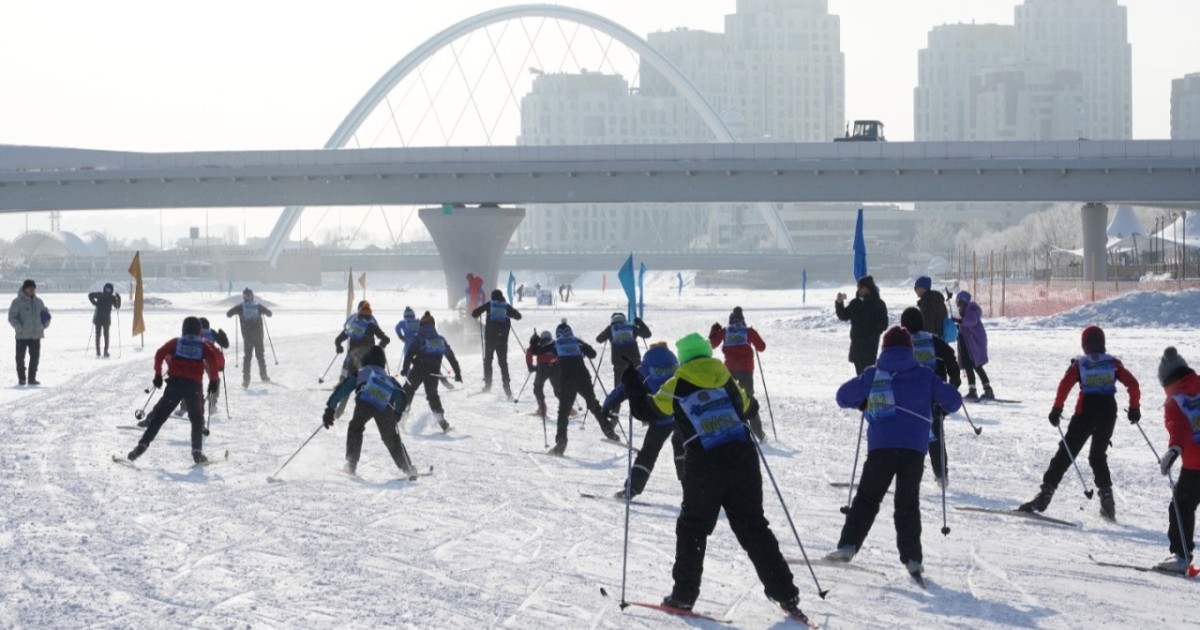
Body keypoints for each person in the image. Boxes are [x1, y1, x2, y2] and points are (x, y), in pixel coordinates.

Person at [650, 332, 808, 620]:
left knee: (693, 527)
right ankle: (786, 593)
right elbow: (750, 406)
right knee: (753, 526)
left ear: (683, 359)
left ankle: (683, 595)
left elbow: (652, 408)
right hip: (743, 460)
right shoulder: (725, 378)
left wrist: (633, 385)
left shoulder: (677, 382)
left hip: (705, 466)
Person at [828, 327, 963, 581]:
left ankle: (848, 546)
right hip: (914, 450)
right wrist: (936, 404)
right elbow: (954, 401)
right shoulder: (925, 375)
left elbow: (842, 397)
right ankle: (913, 559)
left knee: (867, 499)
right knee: (907, 504)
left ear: (884, 349)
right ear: (910, 350)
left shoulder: (874, 374)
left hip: (881, 448)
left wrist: (863, 401)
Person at [1018, 325, 1140, 520]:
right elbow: (1133, 384)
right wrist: (1134, 408)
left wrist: (1057, 409)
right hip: (1108, 412)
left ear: (1085, 345)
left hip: (1085, 412)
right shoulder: (1113, 363)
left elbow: (1065, 385)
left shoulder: (1080, 364)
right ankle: (1107, 498)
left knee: (1066, 453)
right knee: (1097, 456)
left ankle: (1045, 493)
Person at [126, 317, 224, 464]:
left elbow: (160, 353)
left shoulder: (176, 342)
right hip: (193, 387)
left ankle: (142, 445)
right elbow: (213, 360)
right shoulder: (203, 344)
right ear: (198, 330)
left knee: (159, 417)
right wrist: (214, 380)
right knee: (197, 419)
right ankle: (197, 452)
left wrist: (158, 375)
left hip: (174, 385)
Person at [323, 345, 417, 479]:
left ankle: (351, 464)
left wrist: (330, 409)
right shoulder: (388, 378)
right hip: (384, 406)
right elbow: (401, 398)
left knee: (355, 428)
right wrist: (397, 414)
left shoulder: (360, 373)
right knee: (391, 438)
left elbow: (342, 390)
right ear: (383, 362)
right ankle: (408, 468)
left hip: (364, 402)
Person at [604, 341, 683, 499]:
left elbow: (623, 389)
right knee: (683, 448)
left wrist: (606, 406)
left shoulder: (643, 369)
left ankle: (632, 488)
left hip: (660, 416)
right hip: (682, 414)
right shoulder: (678, 366)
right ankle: (692, 487)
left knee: (649, 452)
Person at [899, 307, 961, 488]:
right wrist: (952, 386)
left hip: (909, 400)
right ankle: (941, 475)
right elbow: (951, 360)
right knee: (935, 436)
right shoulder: (934, 340)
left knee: (908, 436)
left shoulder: (902, 344)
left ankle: (908, 475)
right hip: (934, 398)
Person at [1154, 347, 1200, 573]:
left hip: (1196, 466)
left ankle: (1181, 556)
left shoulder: (1175, 401)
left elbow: (1178, 428)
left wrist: (1173, 450)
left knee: (1181, 506)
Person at [548, 319, 619, 455]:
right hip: (583, 377)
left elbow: (541, 351)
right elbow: (593, 354)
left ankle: (561, 444)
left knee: (563, 412)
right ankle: (610, 432)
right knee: (593, 405)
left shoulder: (556, 343)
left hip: (568, 380)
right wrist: (582, 351)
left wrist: (535, 342)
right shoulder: (577, 341)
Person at [709, 306, 769, 441]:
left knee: (729, 400)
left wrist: (714, 331)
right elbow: (762, 347)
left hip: (729, 371)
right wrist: (755, 335)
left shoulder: (725, 331)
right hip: (746, 371)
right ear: (743, 320)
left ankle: (733, 431)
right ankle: (759, 434)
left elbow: (711, 345)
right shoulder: (748, 331)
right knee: (748, 400)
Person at [400, 312, 462, 433]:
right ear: (433, 325)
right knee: (433, 396)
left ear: (421, 325)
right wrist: (457, 373)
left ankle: (401, 418)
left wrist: (405, 369)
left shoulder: (418, 338)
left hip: (418, 370)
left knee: (408, 391)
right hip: (434, 373)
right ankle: (443, 424)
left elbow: (409, 354)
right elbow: (451, 357)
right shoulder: (441, 339)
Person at [595, 312, 651, 413]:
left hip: (619, 363)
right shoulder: (631, 327)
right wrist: (640, 323)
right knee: (640, 386)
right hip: (635, 361)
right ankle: (645, 414)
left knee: (618, 390)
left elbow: (599, 339)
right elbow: (647, 334)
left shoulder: (611, 328)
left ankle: (614, 414)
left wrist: (608, 333)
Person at [471, 289, 522, 397]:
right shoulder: (506, 306)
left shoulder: (490, 304)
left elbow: (474, 314)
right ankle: (507, 387)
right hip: (502, 340)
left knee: (488, 361)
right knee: (503, 363)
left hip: (490, 339)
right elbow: (518, 316)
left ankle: (488, 385)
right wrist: (507, 316)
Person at [176, 317, 230, 417]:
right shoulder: (212, 332)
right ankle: (212, 405)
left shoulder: (193, 332)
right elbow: (225, 344)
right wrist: (223, 336)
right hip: (209, 359)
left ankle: (184, 407)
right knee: (215, 380)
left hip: (195, 359)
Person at [835, 275, 888, 375]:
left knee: (868, 373)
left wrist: (871, 335)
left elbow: (883, 324)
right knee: (859, 374)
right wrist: (839, 303)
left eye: (860, 287)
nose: (858, 290)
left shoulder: (878, 304)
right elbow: (843, 315)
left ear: (866, 288)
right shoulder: (855, 303)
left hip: (870, 346)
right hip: (857, 346)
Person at [226, 287, 273, 387]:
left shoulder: (241, 307)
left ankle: (246, 379)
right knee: (260, 356)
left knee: (247, 357)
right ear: (252, 296)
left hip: (247, 337)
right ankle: (264, 376)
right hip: (258, 335)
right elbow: (269, 313)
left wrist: (237, 313)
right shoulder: (257, 306)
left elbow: (228, 314)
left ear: (244, 297)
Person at [952, 291, 992, 401]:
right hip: (968, 345)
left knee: (971, 366)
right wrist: (958, 325)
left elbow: (970, 322)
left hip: (973, 346)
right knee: (975, 366)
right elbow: (965, 326)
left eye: (958, 301)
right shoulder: (964, 312)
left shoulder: (970, 310)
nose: (957, 303)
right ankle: (987, 389)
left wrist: (959, 321)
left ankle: (973, 391)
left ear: (963, 301)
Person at [9, 279, 48, 386]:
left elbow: (45, 315)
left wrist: (43, 325)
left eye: (33, 289)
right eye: (30, 288)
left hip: (35, 335)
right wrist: (20, 328)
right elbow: (12, 317)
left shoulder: (38, 302)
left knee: (35, 358)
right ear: (25, 289)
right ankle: (22, 378)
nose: (32, 290)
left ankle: (32, 378)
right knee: (20, 358)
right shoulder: (17, 302)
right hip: (22, 336)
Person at [525, 330, 562, 417]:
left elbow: (529, 353)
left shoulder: (538, 345)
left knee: (538, 387)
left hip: (542, 369)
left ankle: (542, 408)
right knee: (558, 389)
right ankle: (568, 408)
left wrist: (530, 366)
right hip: (555, 368)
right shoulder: (555, 344)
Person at [87, 282, 121, 357]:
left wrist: (118, 298)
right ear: (104, 289)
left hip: (106, 319)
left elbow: (117, 306)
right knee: (98, 335)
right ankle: (98, 351)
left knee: (106, 336)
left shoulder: (112, 298)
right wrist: (95, 303)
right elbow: (90, 295)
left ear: (111, 290)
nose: (108, 291)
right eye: (106, 289)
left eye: (109, 289)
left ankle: (106, 351)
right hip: (98, 318)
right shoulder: (100, 295)